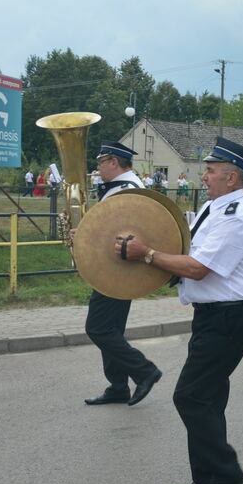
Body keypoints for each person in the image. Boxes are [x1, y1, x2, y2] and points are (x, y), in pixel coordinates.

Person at [120, 137, 243, 484]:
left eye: (212, 171)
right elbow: (182, 247)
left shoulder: (236, 216)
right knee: (209, 398)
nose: (205, 176)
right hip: (214, 315)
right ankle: (205, 478)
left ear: (232, 178)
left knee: (190, 395)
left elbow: (198, 269)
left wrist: (147, 255)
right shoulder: (213, 209)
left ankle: (227, 473)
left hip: (230, 315)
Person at [82, 141, 161, 408]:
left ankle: (144, 370)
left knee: (98, 328)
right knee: (111, 328)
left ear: (113, 162)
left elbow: (124, 235)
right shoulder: (123, 189)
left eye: (100, 163)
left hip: (118, 271)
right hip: (114, 269)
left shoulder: (125, 191)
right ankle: (117, 386)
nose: (98, 168)